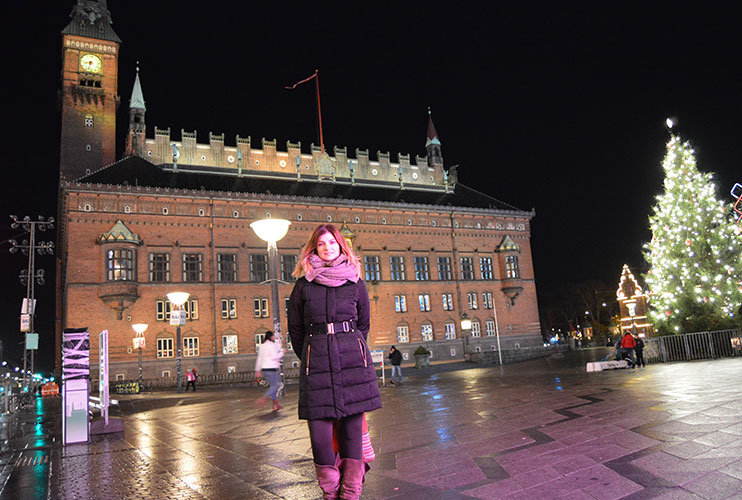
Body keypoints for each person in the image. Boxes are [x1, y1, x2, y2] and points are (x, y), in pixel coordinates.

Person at [288, 224, 382, 500]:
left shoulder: (356, 283)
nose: (327, 248)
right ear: (313, 249)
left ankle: (351, 493)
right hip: (316, 366)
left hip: (354, 365)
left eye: (332, 243)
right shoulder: (303, 285)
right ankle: (331, 493)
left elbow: (362, 325)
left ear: (341, 246)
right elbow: (296, 330)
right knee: (319, 438)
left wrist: (349, 347)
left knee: (353, 433)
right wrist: (311, 353)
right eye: (321, 244)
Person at [255, 330, 286, 411]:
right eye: (273, 336)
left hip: (264, 369)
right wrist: (282, 352)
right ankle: (264, 397)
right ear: (271, 337)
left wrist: (257, 370)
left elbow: (259, 358)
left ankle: (276, 405)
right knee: (276, 386)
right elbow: (275, 357)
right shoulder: (272, 345)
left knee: (273, 386)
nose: (274, 338)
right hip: (272, 368)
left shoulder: (262, 346)